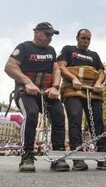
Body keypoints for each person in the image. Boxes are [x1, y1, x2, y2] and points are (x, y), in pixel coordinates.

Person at [4, 22, 69, 172]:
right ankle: (27, 155)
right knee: (31, 114)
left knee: (59, 115)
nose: (50, 37)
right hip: (25, 93)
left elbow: (56, 69)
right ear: (37, 32)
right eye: (47, 34)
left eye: (52, 35)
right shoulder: (24, 47)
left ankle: (57, 156)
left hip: (46, 93)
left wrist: (55, 86)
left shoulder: (51, 50)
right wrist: (27, 82)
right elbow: (9, 66)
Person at [57, 29, 106, 171]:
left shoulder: (94, 55)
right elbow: (61, 67)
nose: (86, 41)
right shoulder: (68, 50)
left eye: (88, 39)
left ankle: (102, 157)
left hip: (92, 92)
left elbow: (101, 72)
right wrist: (73, 78)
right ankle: (78, 158)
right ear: (77, 38)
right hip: (72, 90)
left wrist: (99, 83)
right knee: (75, 118)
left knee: (98, 121)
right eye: (83, 38)